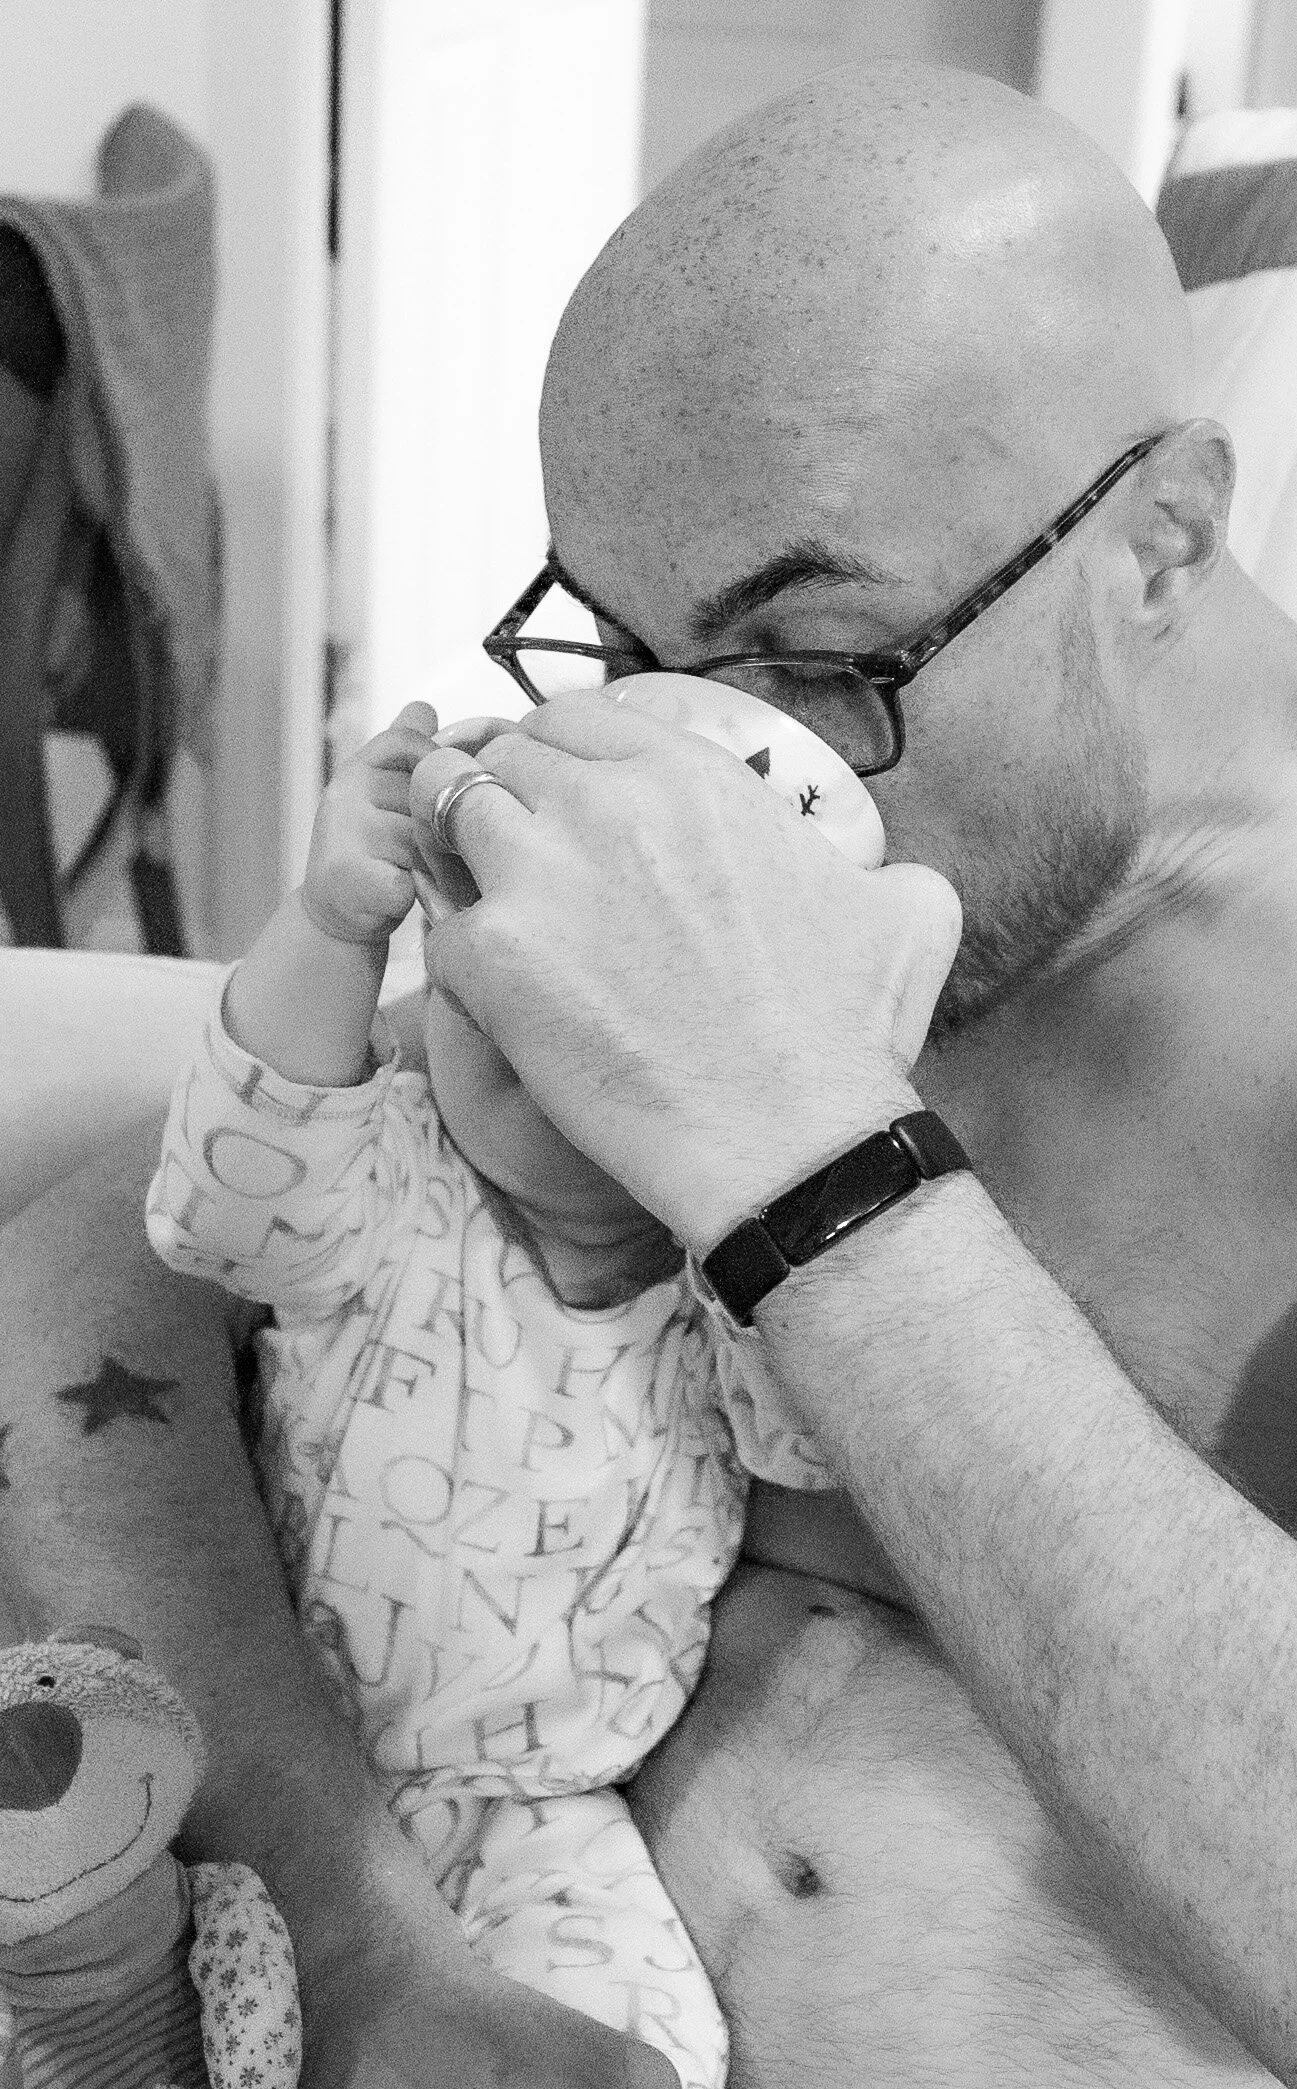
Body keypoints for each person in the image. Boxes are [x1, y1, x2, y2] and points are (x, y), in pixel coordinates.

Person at [0, 60, 1297, 2089]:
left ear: (1162, 539)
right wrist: (370, 1950)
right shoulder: (696, 803)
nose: (713, 743)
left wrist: (801, 1153)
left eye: (811, 654)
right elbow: (109, 1280)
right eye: (621, 640)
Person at [140, 703, 834, 2089]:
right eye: (476, 991)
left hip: (541, 1817)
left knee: (635, 2046)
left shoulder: (727, 1288)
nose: (520, 1027)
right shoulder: (385, 1178)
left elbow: (820, 1432)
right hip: (255, 1764)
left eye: (587, 1010)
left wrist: (792, 1164)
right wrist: (334, 925)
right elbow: (219, 1207)